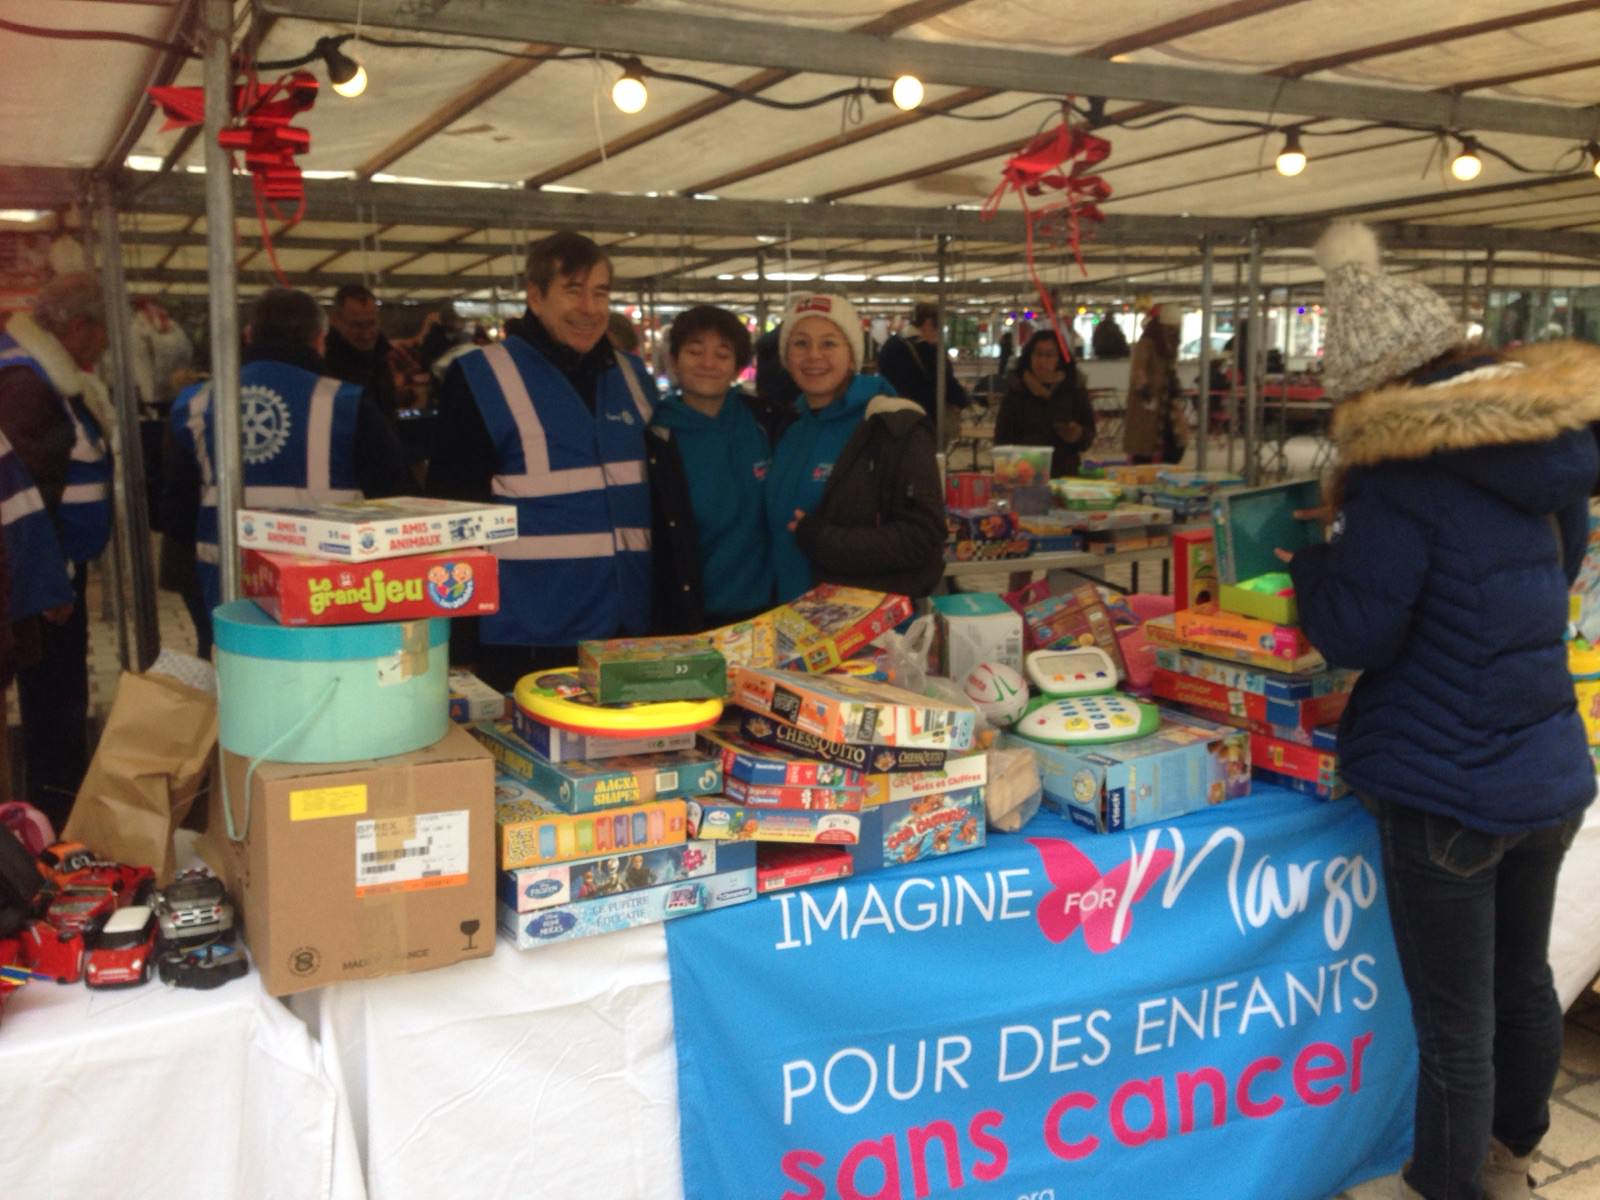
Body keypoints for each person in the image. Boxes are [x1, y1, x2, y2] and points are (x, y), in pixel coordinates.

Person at [1282, 220, 1598, 1200]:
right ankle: (1515, 1146)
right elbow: (1550, 574)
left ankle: (1447, 1181)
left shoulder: (1401, 476)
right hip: (1546, 761)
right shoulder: (1546, 446)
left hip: (1444, 782)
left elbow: (1360, 633)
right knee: (1523, 979)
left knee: (1454, 1018)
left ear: (1375, 390)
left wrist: (1312, 563)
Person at [427, 231, 657, 691]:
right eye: (573, 291)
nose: (590, 308)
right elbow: (452, 516)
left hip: (627, 629)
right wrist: (459, 643)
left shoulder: (633, 377)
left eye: (600, 293)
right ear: (535, 297)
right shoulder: (481, 377)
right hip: (526, 637)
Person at [164, 287, 409, 627]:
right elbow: (395, 496)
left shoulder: (197, 403)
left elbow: (175, 509)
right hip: (326, 590)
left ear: (249, 335)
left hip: (223, 584)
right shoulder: (347, 403)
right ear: (319, 339)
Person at [0, 274, 113, 828]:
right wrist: (51, 580)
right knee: (54, 707)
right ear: (78, 327)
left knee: (59, 702)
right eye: (103, 330)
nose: (107, 343)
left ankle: (55, 810)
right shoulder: (27, 383)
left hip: (54, 571)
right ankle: (55, 823)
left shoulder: (43, 373)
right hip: (48, 583)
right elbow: (27, 493)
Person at [765, 292, 945, 605]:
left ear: (852, 355)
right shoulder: (789, 427)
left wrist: (823, 539)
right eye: (801, 343)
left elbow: (923, 537)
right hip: (790, 618)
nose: (813, 355)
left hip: (862, 624)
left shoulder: (891, 425)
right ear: (786, 357)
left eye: (829, 343)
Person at [648, 305, 781, 633]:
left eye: (722, 354)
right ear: (674, 360)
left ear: (738, 367)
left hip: (768, 612)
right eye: (695, 352)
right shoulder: (654, 436)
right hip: (690, 618)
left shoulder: (766, 421)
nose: (708, 364)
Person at [993, 329, 1097, 478]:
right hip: (1023, 473)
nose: (1042, 361)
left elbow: (1088, 434)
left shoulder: (1073, 388)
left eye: (1049, 355)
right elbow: (1001, 438)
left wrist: (1076, 434)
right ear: (1029, 356)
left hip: (1065, 474)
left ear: (1059, 358)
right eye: (1038, 354)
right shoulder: (1017, 388)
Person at [875, 301, 969, 418]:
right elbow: (946, 383)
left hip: (891, 415)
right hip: (921, 417)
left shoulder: (889, 344)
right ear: (927, 323)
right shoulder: (927, 349)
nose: (938, 335)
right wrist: (965, 401)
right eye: (938, 328)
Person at [324, 283, 400, 422]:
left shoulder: (381, 354)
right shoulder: (324, 365)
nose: (366, 335)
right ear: (335, 321)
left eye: (371, 324)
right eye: (356, 326)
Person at [1123, 302, 1185, 464]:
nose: (1172, 331)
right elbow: (1139, 369)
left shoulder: (1170, 344)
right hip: (1148, 403)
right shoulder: (1147, 343)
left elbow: (1170, 369)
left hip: (1166, 400)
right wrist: (1145, 391)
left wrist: (1175, 387)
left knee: (1176, 443)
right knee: (1144, 445)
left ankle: (1165, 470)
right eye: (1169, 328)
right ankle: (1145, 473)